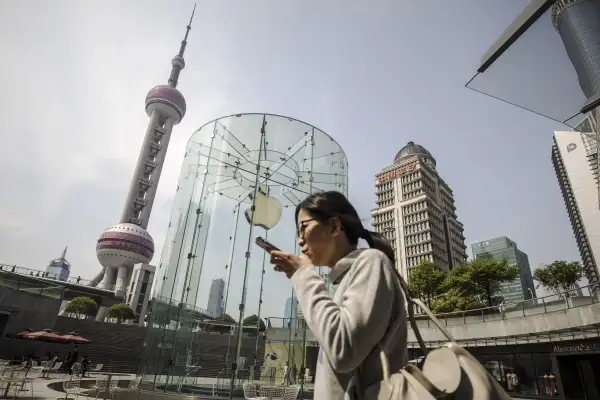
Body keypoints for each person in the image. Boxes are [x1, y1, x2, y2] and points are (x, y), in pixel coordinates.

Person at [270, 191, 407, 399]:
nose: (299, 241)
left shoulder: (371, 262)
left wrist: (303, 276)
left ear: (334, 226)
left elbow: (344, 350)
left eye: (303, 227)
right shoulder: (348, 278)